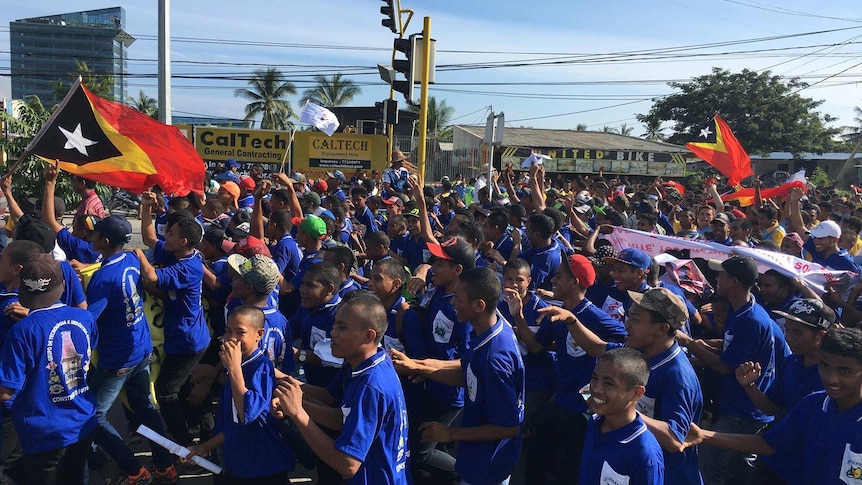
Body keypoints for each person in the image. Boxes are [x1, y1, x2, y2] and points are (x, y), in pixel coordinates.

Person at [539, 287, 703, 484]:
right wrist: (571, 320)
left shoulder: (678, 376)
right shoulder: (638, 351)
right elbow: (598, 347)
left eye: (635, 319)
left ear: (661, 328)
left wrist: (620, 409)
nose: (627, 324)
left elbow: (675, 440)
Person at [391, 267, 525, 485]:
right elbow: (466, 370)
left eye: (458, 299)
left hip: (488, 466)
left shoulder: (495, 358)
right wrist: (416, 365)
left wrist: (451, 434)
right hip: (477, 457)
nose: (452, 303)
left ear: (478, 306)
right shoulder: (492, 329)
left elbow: (508, 427)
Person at [685, 327, 862, 485]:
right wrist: (703, 435)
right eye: (824, 366)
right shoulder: (814, 404)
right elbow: (768, 443)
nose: (831, 378)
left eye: (844, 371)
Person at [275, 293, 411, 484]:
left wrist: (298, 412)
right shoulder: (372, 363)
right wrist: (297, 401)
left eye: (342, 327)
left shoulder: (371, 385)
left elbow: (348, 464)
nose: (333, 333)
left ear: (368, 335)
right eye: (335, 325)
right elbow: (345, 419)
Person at [677, 255, 788, 485]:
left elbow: (725, 367)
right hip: (741, 407)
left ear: (734, 282)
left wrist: (689, 343)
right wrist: (706, 345)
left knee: (709, 464)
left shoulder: (750, 320)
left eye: (722, 275)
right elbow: (733, 346)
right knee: (738, 470)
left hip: (743, 411)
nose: (717, 278)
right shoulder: (744, 310)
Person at [86, 215, 176, 483]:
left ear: (103, 241)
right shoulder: (130, 259)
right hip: (140, 349)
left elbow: (88, 320)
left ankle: (132, 469)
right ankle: (165, 464)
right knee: (146, 409)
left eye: (94, 234)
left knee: (91, 416)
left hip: (118, 359)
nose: (90, 237)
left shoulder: (103, 279)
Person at [0, 254, 98, 484]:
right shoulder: (85, 317)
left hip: (44, 431)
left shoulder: (23, 330)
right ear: (63, 286)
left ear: (23, 293)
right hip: (82, 420)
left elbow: (6, 392)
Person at [186, 305, 295, 484]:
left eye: (240, 332)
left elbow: (247, 414)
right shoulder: (236, 368)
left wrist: (234, 368)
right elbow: (232, 424)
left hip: (263, 468)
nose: (232, 338)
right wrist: (204, 447)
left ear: (259, 334)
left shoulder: (261, 367)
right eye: (228, 331)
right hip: (238, 465)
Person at [135, 209, 209, 448]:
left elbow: (151, 276)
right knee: (187, 389)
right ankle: (198, 429)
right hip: (187, 335)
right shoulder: (181, 255)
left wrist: (136, 255)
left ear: (183, 241)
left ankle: (185, 444)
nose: (166, 235)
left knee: (166, 392)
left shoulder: (188, 267)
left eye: (171, 233)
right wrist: (146, 207)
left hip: (187, 340)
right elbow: (148, 238)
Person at [578, 348, 665, 484]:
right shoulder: (596, 422)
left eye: (608, 383)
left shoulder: (643, 454)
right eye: (595, 378)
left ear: (637, 393)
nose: (596, 388)